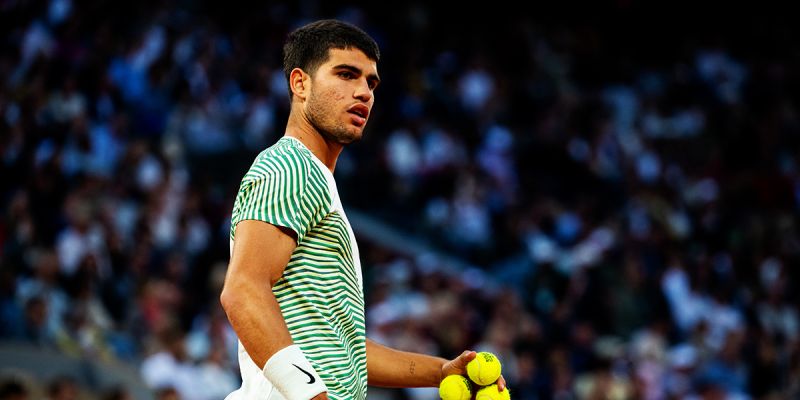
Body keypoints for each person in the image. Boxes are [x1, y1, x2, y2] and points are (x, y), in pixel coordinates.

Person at [220, 19, 507, 400]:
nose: (363, 92)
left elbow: (346, 350)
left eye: (371, 83)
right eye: (346, 74)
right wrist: (312, 397)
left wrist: (440, 371)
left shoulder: (313, 178)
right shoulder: (291, 166)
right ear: (300, 83)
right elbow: (242, 290)